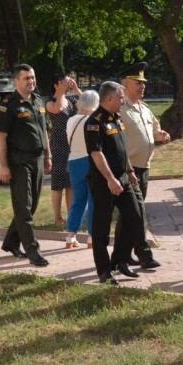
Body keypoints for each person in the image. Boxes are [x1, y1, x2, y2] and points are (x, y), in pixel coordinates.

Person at [85, 81, 144, 284]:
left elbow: (122, 148)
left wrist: (129, 170)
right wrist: (110, 179)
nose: (123, 100)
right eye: (120, 97)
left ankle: (120, 259)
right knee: (101, 227)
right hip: (104, 182)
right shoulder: (94, 122)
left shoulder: (116, 118)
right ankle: (104, 270)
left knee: (134, 218)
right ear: (109, 98)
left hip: (124, 178)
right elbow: (96, 153)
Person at [0, 64, 52, 267]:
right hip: (19, 161)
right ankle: (33, 252)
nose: (31, 81)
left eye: (33, 77)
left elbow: (44, 129)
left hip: (37, 158)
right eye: (26, 78)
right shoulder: (8, 105)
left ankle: (11, 242)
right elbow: (0, 137)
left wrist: (48, 155)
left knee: (31, 205)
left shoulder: (38, 100)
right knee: (24, 206)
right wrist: (3, 166)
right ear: (16, 81)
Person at [118, 61, 171, 269]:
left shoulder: (145, 109)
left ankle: (122, 255)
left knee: (129, 215)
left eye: (143, 82)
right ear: (125, 83)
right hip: (128, 169)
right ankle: (144, 254)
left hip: (144, 168)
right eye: (137, 82)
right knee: (137, 213)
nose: (142, 86)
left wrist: (161, 136)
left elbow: (154, 132)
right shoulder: (120, 109)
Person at [64, 90, 98, 249]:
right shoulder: (93, 120)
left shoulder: (71, 120)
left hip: (74, 161)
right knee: (93, 200)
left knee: (78, 200)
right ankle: (91, 237)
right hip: (90, 160)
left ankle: (70, 236)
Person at [46, 73, 80, 226]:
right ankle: (57, 217)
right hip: (59, 146)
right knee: (58, 182)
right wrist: (61, 91)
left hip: (73, 146)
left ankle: (71, 214)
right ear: (56, 84)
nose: (68, 83)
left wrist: (76, 89)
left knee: (70, 182)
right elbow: (58, 109)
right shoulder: (51, 102)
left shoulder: (71, 100)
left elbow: (88, 103)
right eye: (65, 81)